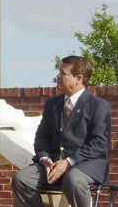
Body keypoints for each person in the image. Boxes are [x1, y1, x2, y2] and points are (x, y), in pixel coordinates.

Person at [12, 55, 111, 207]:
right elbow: (41, 137)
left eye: (63, 73)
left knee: (74, 180)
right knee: (21, 179)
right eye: (59, 72)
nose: (58, 77)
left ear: (79, 78)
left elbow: (98, 143)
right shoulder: (52, 104)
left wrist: (68, 162)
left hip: (85, 165)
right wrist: (44, 158)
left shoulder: (98, 105)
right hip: (52, 164)